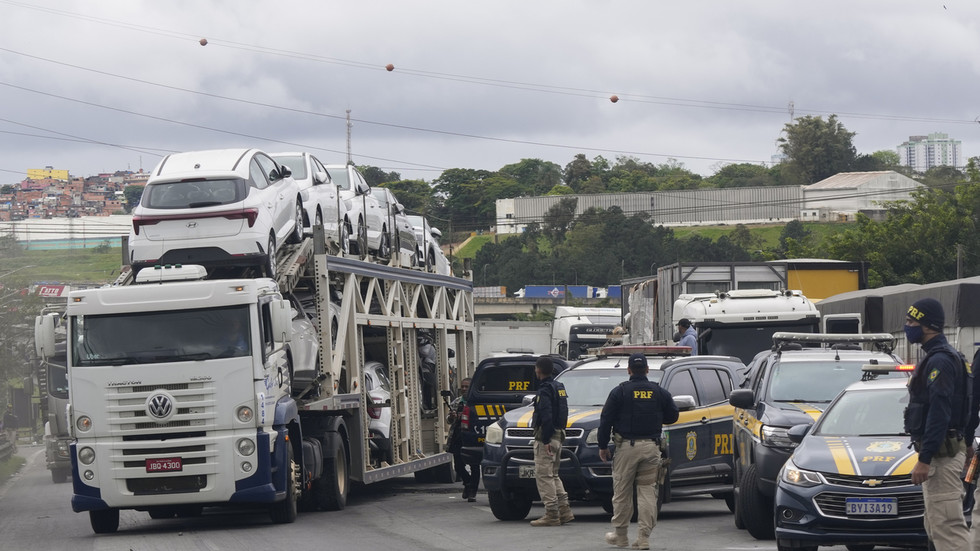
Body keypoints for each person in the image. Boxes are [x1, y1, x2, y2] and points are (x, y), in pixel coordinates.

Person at [904, 298, 971, 551]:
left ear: (928, 326)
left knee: (948, 529)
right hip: (944, 452)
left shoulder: (940, 361)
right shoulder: (947, 357)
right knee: (936, 526)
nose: (907, 326)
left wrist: (925, 458)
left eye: (912, 322)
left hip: (941, 457)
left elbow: (940, 413)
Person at [597, 353, 679, 550]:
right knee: (648, 492)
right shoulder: (658, 392)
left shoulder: (620, 392)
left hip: (626, 448)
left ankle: (621, 536)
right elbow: (673, 416)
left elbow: (605, 420)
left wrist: (602, 446)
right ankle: (643, 538)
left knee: (622, 492)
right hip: (652, 448)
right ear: (648, 370)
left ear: (629, 370)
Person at [529, 356, 573, 527]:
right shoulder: (559, 387)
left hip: (547, 438)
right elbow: (564, 412)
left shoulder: (545, 389)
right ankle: (564, 510)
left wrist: (545, 439)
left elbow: (546, 415)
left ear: (538, 369)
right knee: (554, 475)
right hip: (559, 435)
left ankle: (552, 514)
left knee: (544, 476)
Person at [447, 378, 480, 502]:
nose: (464, 389)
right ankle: (468, 483)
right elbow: (448, 421)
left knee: (475, 466)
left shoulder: (476, 403)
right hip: (458, 437)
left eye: (467, 387)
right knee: (459, 466)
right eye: (462, 387)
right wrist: (452, 417)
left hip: (472, 437)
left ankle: (472, 492)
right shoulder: (456, 402)